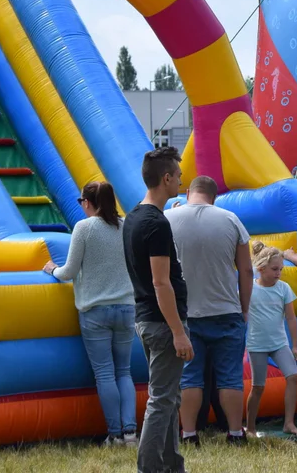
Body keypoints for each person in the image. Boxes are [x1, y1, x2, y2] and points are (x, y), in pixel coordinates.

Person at [44, 181, 136, 446]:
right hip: (126, 308)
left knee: (105, 374)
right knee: (124, 372)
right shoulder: (125, 226)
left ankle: (115, 434)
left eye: (80, 201)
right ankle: (130, 432)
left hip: (95, 310)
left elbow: (69, 271)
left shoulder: (84, 228)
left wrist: (51, 269)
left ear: (87, 202)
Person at [166, 175, 252, 446]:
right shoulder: (230, 219)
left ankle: (190, 434)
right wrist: (245, 309)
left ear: (188, 191)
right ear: (214, 197)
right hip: (226, 310)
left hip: (186, 314)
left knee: (190, 377)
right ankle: (236, 433)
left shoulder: (168, 220)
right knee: (230, 377)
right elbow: (247, 270)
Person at [123, 147, 192, 473]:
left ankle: (170, 465)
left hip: (147, 319)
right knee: (162, 400)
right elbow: (160, 283)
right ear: (166, 179)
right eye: (178, 176)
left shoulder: (135, 216)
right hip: (163, 323)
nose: (181, 180)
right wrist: (178, 331)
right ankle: (150, 468)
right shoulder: (156, 224)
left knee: (168, 399)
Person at [245, 241, 297, 435]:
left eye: (281, 269)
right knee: (258, 387)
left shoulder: (283, 288)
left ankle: (289, 423)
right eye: (274, 269)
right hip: (257, 345)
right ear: (261, 269)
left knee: (293, 376)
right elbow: (241, 315)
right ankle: (251, 427)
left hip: (279, 343)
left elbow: (291, 318)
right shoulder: (250, 289)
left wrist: (295, 345)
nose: (279, 273)